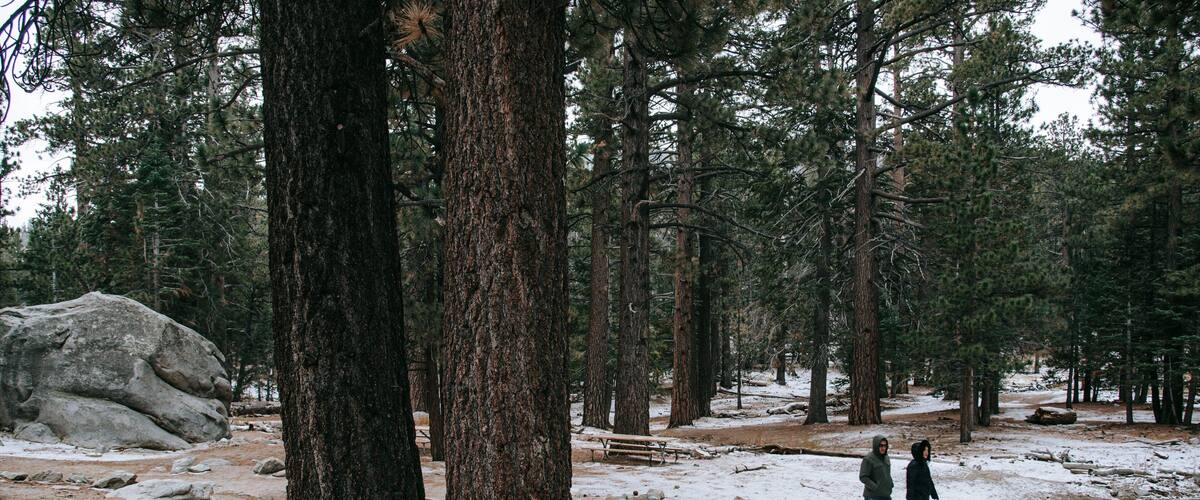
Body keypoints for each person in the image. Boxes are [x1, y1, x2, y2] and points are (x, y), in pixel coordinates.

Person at [859, 435, 894, 500]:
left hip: (886, 494)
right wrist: (875, 487)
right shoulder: (868, 459)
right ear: (876, 446)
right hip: (872, 496)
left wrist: (890, 483)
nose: (883, 448)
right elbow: (863, 477)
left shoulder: (886, 457)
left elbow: (887, 473)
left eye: (885, 445)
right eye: (881, 446)